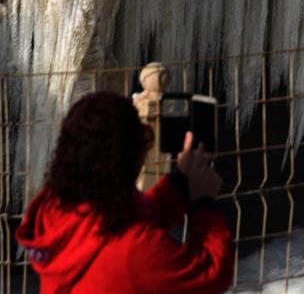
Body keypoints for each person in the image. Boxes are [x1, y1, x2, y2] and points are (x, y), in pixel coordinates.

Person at [16, 91, 234, 293]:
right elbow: (211, 273)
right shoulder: (133, 250)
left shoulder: (59, 213)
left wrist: (181, 179)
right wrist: (204, 203)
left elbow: (134, 218)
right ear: (129, 160)